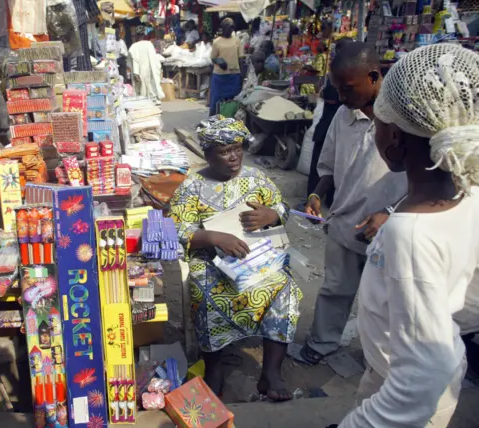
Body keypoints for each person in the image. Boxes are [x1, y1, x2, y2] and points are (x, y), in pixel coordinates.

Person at [338, 43, 479, 427]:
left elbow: (422, 378)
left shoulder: (410, 234)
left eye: (379, 121)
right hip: (393, 373)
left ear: (395, 139)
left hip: (410, 400)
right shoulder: (470, 194)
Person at [169, 116, 302, 401]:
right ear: (207, 154)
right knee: (205, 293)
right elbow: (180, 229)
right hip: (210, 262)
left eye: (237, 148)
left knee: (284, 287)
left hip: (257, 256)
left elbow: (281, 206)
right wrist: (215, 237)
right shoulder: (192, 187)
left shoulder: (256, 178)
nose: (234, 157)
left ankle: (271, 373)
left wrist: (273, 214)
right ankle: (214, 369)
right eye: (224, 151)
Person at [300, 42, 407, 365]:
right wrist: (317, 193)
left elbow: (426, 180)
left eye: (347, 89)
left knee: (389, 301)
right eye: (337, 89)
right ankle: (322, 343)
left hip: (393, 229)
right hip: (346, 223)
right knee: (335, 289)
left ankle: (385, 361)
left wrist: (389, 215)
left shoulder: (404, 119)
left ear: (374, 77)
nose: (342, 98)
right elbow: (329, 166)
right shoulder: (342, 117)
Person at [306, 38, 353, 204]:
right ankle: (327, 199)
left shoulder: (339, 73)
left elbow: (329, 97)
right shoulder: (346, 73)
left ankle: (314, 197)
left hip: (328, 126)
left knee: (320, 165)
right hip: (339, 128)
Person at [209, 18, 243, 116]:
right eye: (229, 28)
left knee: (233, 99)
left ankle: (230, 119)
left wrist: (241, 74)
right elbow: (213, 58)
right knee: (216, 99)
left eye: (232, 28)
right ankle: (213, 120)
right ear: (223, 28)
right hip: (220, 76)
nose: (231, 30)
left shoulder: (237, 41)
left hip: (234, 75)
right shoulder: (217, 42)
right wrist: (220, 62)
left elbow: (240, 58)